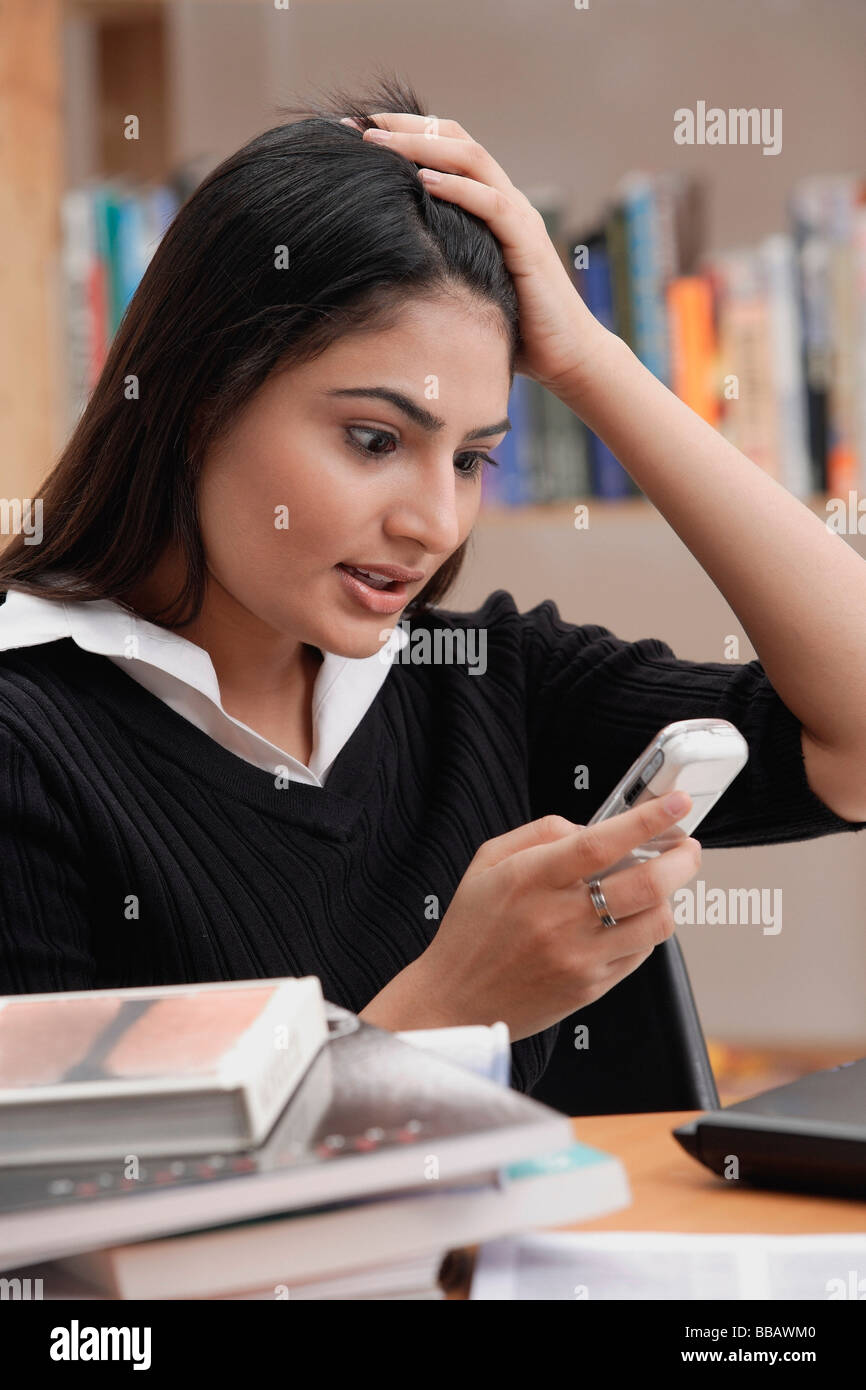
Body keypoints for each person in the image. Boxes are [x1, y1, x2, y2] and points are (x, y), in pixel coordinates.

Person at [1, 76, 865, 1097]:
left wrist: (590, 360)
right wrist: (448, 1006)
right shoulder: (27, 741)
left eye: (469, 458)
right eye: (374, 439)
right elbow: (64, 1235)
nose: (434, 523)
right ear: (195, 401)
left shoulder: (481, 685)